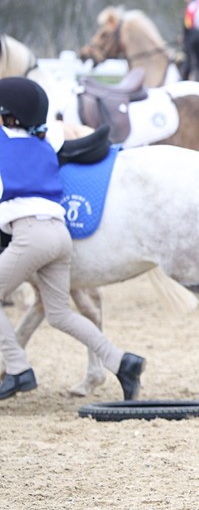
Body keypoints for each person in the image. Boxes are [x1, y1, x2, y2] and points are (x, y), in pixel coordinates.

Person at [0, 78, 145, 401]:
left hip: (31, 235)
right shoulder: (46, 141)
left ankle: (17, 367)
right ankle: (121, 362)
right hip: (59, 235)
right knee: (60, 315)